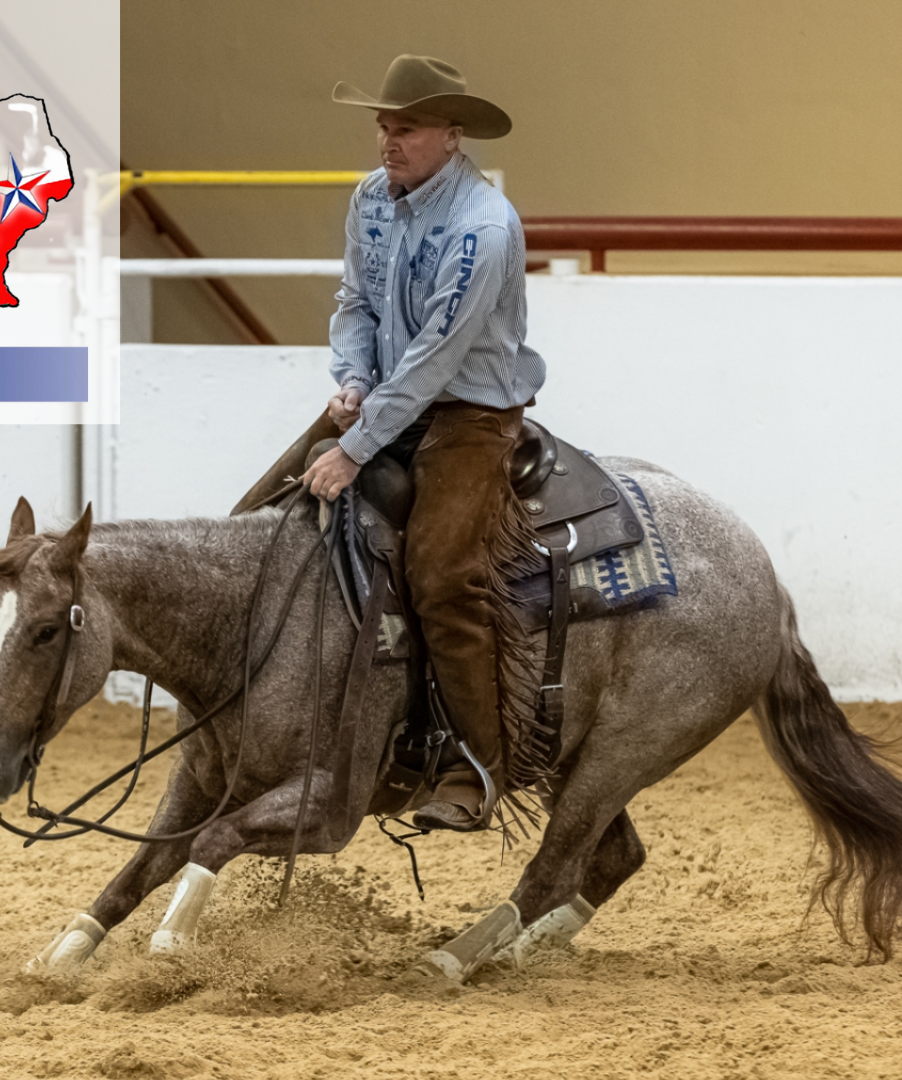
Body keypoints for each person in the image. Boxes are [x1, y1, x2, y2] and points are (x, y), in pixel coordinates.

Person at [301, 55, 547, 831]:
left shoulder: (483, 225)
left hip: (469, 418)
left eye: (404, 126)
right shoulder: (372, 199)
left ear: (450, 133)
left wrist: (356, 445)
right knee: (269, 513)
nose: (387, 138)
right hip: (389, 400)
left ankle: (480, 769)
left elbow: (440, 353)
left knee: (444, 577)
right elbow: (355, 302)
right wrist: (351, 377)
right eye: (382, 124)